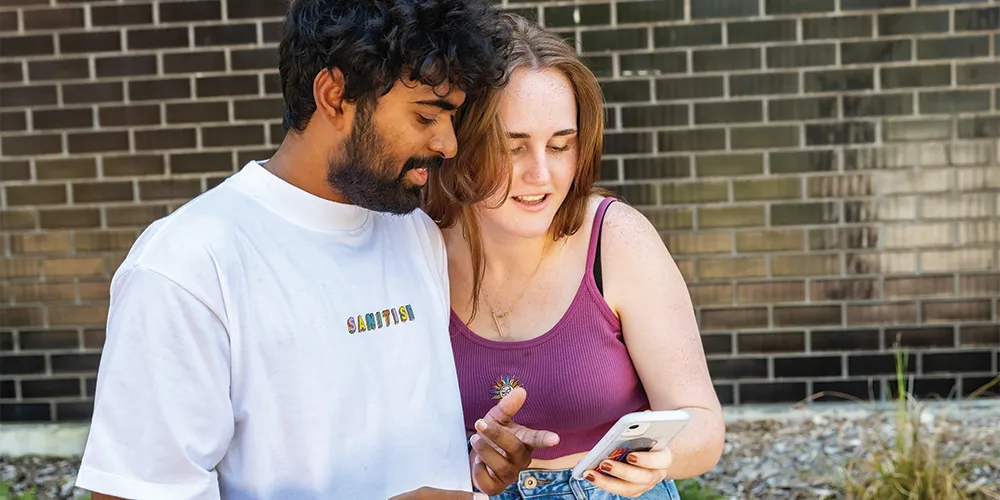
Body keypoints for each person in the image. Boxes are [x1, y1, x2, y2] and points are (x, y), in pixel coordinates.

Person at [74, 2, 558, 499]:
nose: (449, 144)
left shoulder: (413, 232)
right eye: (427, 116)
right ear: (334, 95)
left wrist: (473, 468)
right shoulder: (189, 265)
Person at [424, 14, 726, 500]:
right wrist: (472, 462)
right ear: (462, 144)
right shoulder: (416, 249)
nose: (541, 175)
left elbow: (705, 426)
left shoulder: (617, 239)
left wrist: (658, 458)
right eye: (513, 147)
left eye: (561, 145)